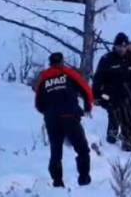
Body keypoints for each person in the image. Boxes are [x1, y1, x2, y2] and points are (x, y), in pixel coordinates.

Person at [34, 52, 93, 187]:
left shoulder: (44, 77)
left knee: (56, 151)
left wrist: (48, 113)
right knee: (82, 149)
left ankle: (57, 182)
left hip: (52, 119)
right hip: (70, 116)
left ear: (50, 63)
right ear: (62, 61)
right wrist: (88, 106)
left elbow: (38, 103)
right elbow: (85, 89)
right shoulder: (68, 73)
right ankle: (84, 179)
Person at [92, 32, 131, 144]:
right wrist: (96, 95)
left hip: (127, 97)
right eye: (119, 46)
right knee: (114, 117)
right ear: (115, 46)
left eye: (124, 46)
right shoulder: (107, 59)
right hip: (110, 96)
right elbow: (98, 79)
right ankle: (111, 142)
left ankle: (126, 140)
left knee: (127, 120)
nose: (122, 49)